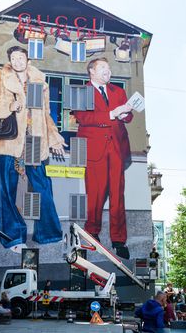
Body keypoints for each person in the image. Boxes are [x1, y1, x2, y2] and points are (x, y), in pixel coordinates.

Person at [0, 46, 67, 252]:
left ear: (27, 59)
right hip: (11, 141)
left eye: (20, 57)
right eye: (13, 58)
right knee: (7, 189)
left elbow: (46, 114)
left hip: (33, 140)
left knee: (42, 186)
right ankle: (13, 237)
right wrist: (8, 108)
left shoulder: (39, 81)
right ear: (9, 60)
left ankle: (47, 234)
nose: (17, 61)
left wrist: (54, 137)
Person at [73, 57, 133, 259]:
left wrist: (125, 115)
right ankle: (92, 233)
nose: (108, 71)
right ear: (91, 71)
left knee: (118, 194)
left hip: (117, 148)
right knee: (95, 194)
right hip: (94, 150)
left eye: (109, 68)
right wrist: (111, 114)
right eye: (103, 68)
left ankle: (119, 239)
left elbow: (129, 116)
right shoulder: (81, 91)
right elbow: (83, 118)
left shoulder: (119, 91)